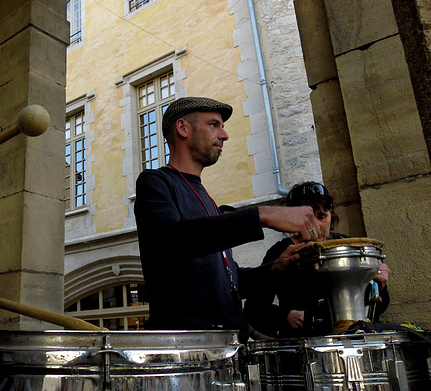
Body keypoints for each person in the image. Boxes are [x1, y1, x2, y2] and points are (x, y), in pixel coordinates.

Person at [133, 97, 322, 342]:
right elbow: (174, 239)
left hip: (228, 351)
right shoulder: (155, 182)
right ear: (183, 128)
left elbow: (228, 282)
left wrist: (274, 269)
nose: (224, 135)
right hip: (186, 352)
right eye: (214, 125)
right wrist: (262, 215)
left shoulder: (208, 200)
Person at [244, 181, 390, 338]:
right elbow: (254, 310)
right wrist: (285, 315)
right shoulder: (280, 253)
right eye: (307, 219)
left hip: (350, 340)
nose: (316, 227)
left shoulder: (348, 245)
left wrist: (378, 285)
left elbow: (378, 305)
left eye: (321, 217)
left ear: (331, 213)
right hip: (303, 344)